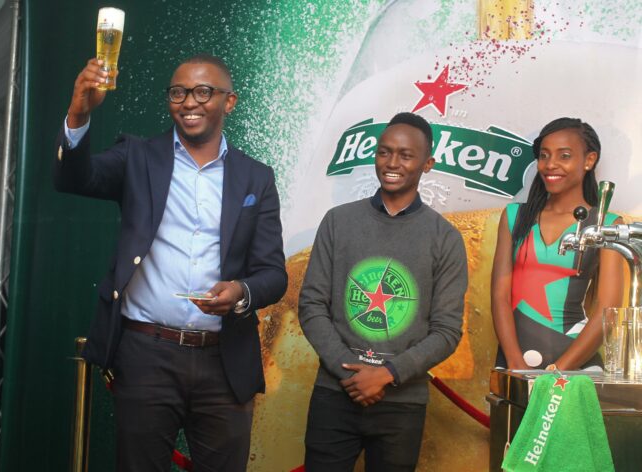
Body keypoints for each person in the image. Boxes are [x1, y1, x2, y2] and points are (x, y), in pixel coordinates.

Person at [54, 54, 287, 472]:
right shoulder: (138, 157)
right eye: (178, 92)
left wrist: (239, 293)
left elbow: (273, 274)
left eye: (203, 92)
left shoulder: (256, 178)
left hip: (224, 359)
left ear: (229, 102)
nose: (189, 102)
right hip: (147, 353)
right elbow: (75, 178)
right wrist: (78, 113)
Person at [298, 112, 468, 472]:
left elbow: (447, 330)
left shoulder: (445, 239)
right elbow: (312, 304)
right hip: (335, 394)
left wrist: (388, 372)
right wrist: (349, 373)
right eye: (384, 152)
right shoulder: (337, 222)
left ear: (427, 164)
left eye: (406, 155)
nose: (392, 163)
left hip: (402, 403)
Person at [491, 117, 623, 371]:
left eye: (564, 156)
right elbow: (499, 296)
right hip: (513, 362)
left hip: (576, 365)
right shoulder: (514, 217)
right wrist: (515, 362)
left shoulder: (607, 224)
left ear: (589, 160)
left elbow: (608, 311)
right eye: (544, 155)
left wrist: (558, 372)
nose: (550, 165)